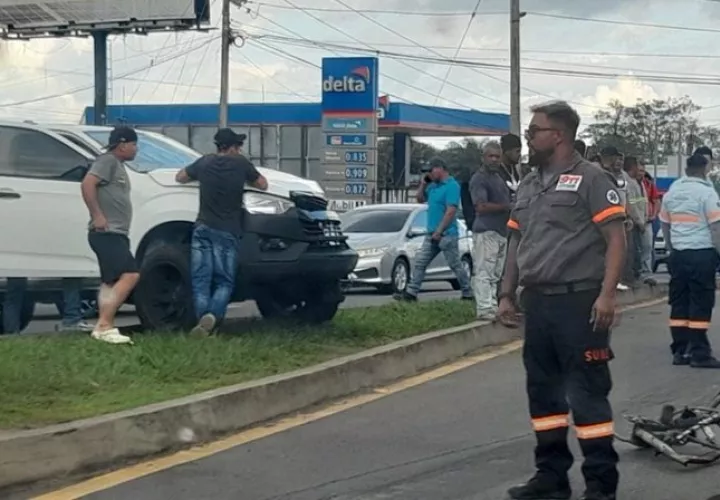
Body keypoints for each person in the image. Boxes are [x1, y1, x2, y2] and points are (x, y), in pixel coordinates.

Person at [499, 101, 626, 500]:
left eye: (534, 131)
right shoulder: (529, 183)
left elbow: (616, 240)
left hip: (579, 304)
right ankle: (551, 478)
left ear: (558, 135)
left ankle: (600, 487)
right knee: (545, 395)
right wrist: (506, 293)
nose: (528, 139)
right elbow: (516, 241)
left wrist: (607, 296)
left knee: (587, 396)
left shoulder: (591, 179)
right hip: (538, 304)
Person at [175, 128, 268, 336]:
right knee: (224, 281)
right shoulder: (241, 163)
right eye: (239, 146)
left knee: (201, 280)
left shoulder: (204, 162)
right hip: (228, 230)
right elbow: (263, 184)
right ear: (234, 147)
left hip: (202, 227)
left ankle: (203, 326)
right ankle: (213, 318)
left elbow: (180, 177)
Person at [660, 153, 720, 369]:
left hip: (678, 254)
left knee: (679, 303)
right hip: (701, 253)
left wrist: (671, 248)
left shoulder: (672, 192)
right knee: (700, 303)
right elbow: (715, 227)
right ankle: (699, 354)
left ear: (686, 169)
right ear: (705, 168)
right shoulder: (707, 193)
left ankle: (680, 350)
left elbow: (665, 224)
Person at [80, 126, 140, 345]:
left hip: (117, 233)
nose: (136, 149)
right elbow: (88, 184)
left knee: (110, 281)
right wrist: (97, 215)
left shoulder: (119, 166)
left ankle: (102, 327)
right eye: (134, 144)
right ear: (122, 144)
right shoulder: (107, 161)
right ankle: (105, 324)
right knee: (131, 274)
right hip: (106, 233)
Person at [395, 156, 473, 302]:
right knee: (420, 262)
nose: (429, 175)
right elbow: (420, 199)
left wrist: (440, 231)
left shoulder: (452, 186)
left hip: (447, 234)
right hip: (431, 234)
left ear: (440, 169)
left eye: (430, 171)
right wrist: (423, 185)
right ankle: (411, 292)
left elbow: (450, 211)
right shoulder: (433, 186)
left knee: (455, 264)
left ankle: (467, 292)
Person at [469, 141, 513, 321]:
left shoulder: (498, 178)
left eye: (497, 156)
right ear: (483, 157)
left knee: (495, 272)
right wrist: (507, 206)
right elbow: (480, 206)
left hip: (500, 231)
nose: (494, 160)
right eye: (490, 156)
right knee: (484, 270)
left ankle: (492, 306)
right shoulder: (480, 179)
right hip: (486, 230)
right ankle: (484, 307)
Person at [599, 146, 633, 289]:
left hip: (621, 218)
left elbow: (627, 198)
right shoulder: (599, 174)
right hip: (606, 219)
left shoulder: (623, 177)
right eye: (616, 158)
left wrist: (629, 216)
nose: (619, 162)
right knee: (607, 251)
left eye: (621, 159)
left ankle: (618, 280)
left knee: (621, 251)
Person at [623, 156, 655, 284]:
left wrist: (647, 216)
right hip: (637, 223)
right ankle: (641, 274)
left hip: (644, 221)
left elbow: (642, 203)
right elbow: (632, 204)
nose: (641, 172)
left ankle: (645, 273)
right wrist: (639, 221)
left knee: (646, 248)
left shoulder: (640, 183)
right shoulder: (629, 183)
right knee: (638, 249)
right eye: (639, 169)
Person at [500, 133, 523, 199]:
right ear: (507, 151)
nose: (519, 155)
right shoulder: (497, 171)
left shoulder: (513, 169)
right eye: (517, 151)